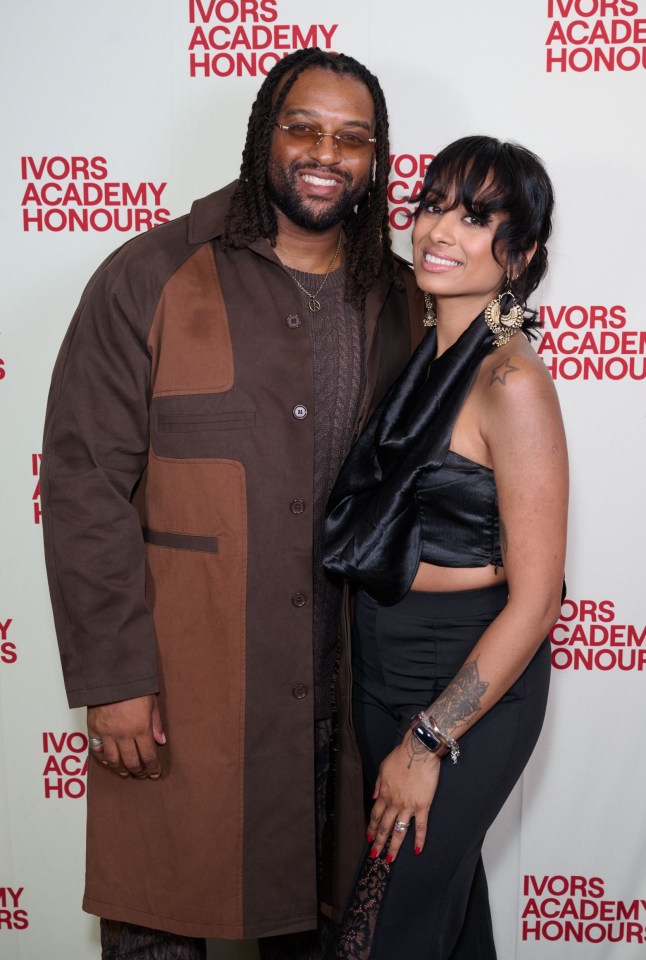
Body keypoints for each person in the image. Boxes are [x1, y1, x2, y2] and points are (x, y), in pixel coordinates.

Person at [41, 48, 424, 959]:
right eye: (303, 127)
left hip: (341, 701)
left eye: (352, 138)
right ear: (263, 137)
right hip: (182, 694)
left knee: (318, 930)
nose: (325, 152)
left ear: (376, 161)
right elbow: (86, 478)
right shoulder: (152, 274)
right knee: (159, 928)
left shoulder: (402, 297)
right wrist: (115, 680)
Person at [322, 136, 568, 959]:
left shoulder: (512, 383)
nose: (439, 230)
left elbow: (537, 602)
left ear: (521, 254)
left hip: (468, 687)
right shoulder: (422, 358)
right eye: (433, 204)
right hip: (380, 669)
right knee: (447, 922)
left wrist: (429, 742)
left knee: (380, 936)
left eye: (476, 217)